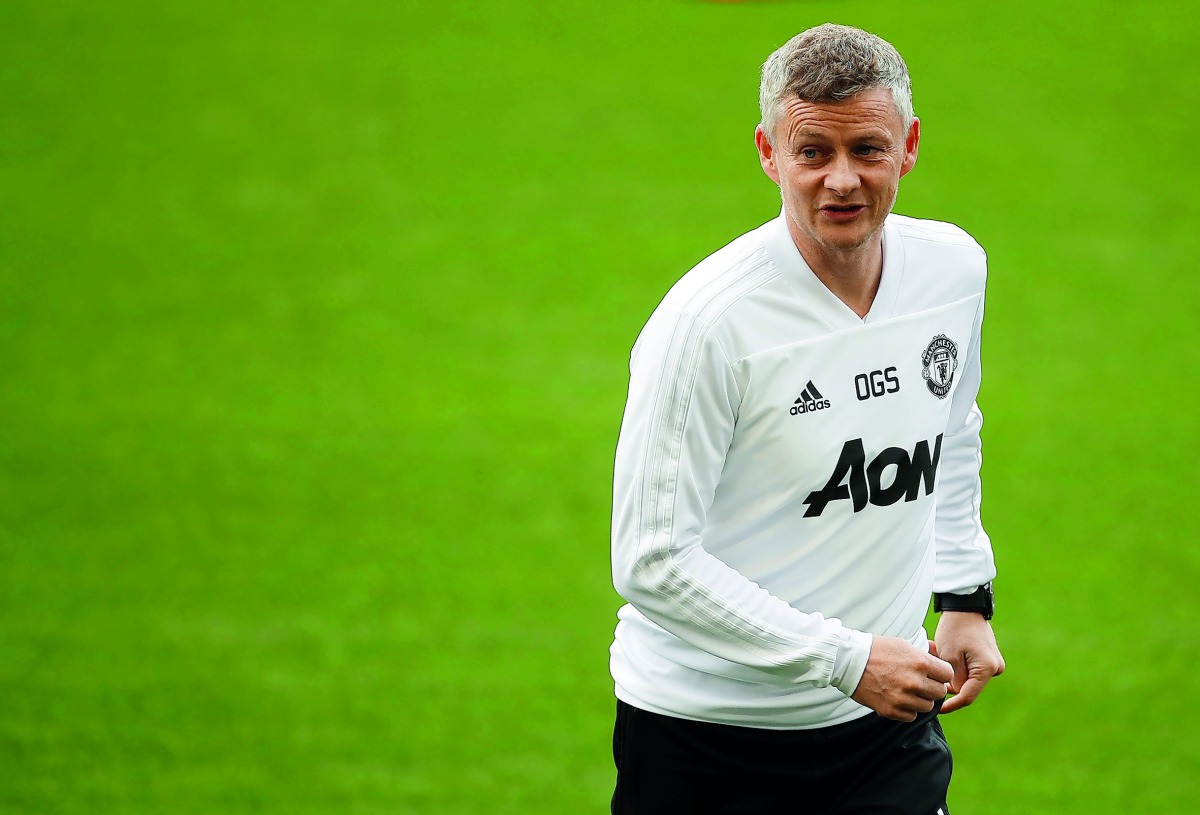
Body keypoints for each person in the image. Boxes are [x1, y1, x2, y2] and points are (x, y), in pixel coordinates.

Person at [608, 23, 1006, 814]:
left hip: (884, 732)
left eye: (867, 148)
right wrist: (843, 656)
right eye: (813, 152)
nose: (842, 181)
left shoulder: (953, 269)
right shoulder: (708, 323)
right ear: (768, 153)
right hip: (707, 737)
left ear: (911, 144)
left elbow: (952, 426)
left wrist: (965, 592)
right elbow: (651, 558)